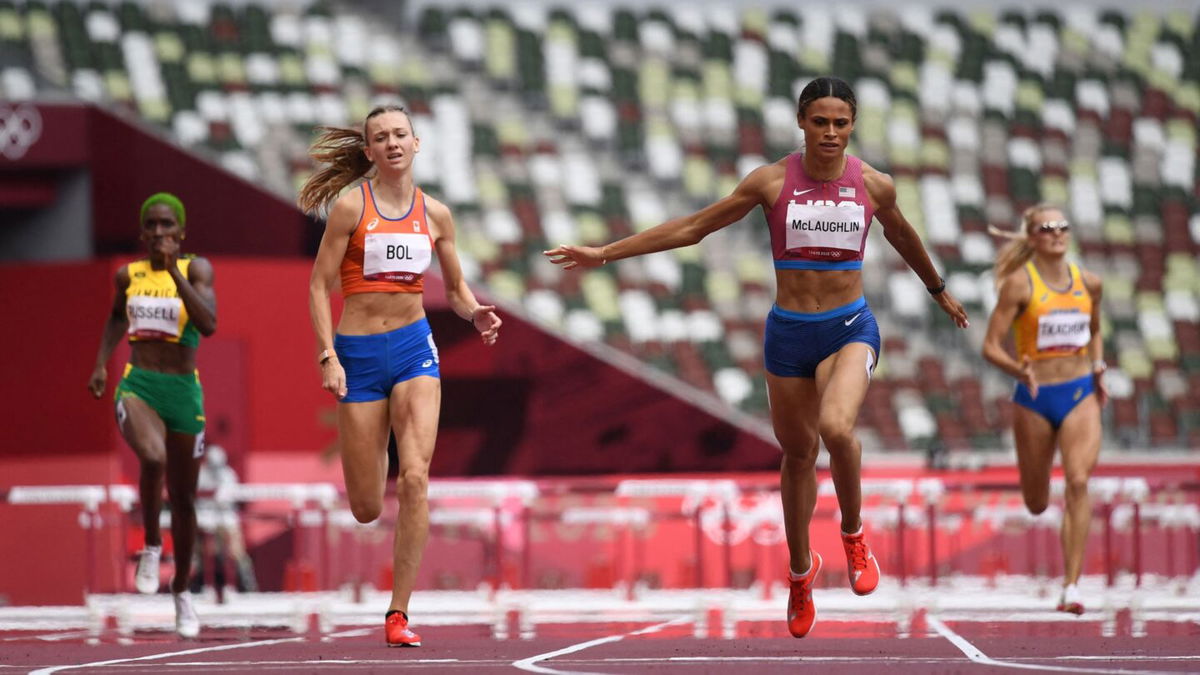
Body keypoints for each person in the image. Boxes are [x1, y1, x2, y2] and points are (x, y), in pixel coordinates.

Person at [545, 76, 968, 638]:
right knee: (798, 455)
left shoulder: (874, 185)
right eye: (821, 122)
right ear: (801, 122)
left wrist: (937, 289)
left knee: (837, 428)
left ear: (853, 126)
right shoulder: (771, 182)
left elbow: (903, 236)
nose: (831, 133)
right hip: (788, 334)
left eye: (841, 123)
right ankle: (799, 573)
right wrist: (604, 253)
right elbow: (695, 227)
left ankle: (853, 535)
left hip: (849, 327)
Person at [300, 104, 501, 647]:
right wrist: (327, 356)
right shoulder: (349, 207)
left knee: (416, 478)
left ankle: (398, 613)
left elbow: (456, 290)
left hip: (415, 351)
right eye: (380, 138)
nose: (391, 143)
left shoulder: (436, 215)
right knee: (366, 507)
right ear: (368, 152)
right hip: (359, 357)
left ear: (417, 144)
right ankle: (380, 438)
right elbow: (319, 286)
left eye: (399, 135)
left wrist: (475, 310)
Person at [88, 192, 216, 639]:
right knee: (154, 458)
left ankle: (181, 590)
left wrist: (174, 274)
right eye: (152, 226)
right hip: (139, 384)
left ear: (181, 232)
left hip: (183, 393)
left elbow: (209, 323)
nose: (159, 233)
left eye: (167, 226)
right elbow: (114, 318)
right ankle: (149, 543)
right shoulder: (128, 275)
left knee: (183, 499)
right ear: (142, 233)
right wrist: (102, 362)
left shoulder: (196, 269)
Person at [982, 204, 1105, 615]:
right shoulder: (1019, 284)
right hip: (1034, 399)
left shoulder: (1090, 282)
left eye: (1062, 226)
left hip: (1079, 394)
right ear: (1032, 237)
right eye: (1046, 228)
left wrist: (1098, 366)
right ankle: (1039, 496)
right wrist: (1019, 369)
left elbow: (1096, 328)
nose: (1056, 233)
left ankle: (1071, 587)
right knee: (1036, 502)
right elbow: (990, 346)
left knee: (1078, 482)